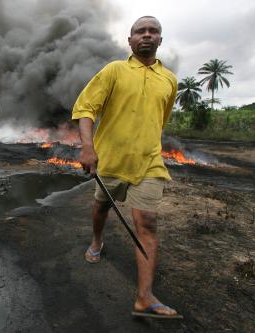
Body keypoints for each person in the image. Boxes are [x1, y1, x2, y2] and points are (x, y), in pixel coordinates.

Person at [72, 16, 181, 318]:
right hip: (111, 159)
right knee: (101, 206)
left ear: (161, 39)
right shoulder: (114, 70)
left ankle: (144, 298)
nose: (147, 35)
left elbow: (161, 118)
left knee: (146, 222)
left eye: (153, 31)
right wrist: (87, 147)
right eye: (140, 31)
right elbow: (85, 108)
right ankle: (97, 239)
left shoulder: (170, 80)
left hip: (149, 162)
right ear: (130, 40)